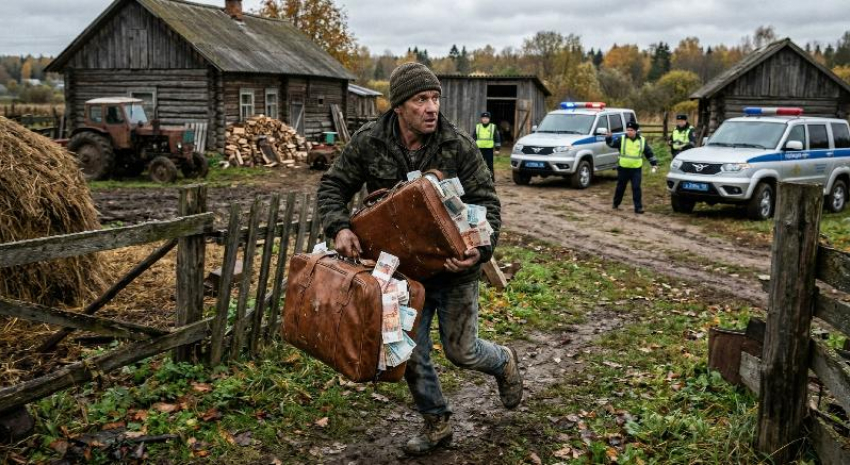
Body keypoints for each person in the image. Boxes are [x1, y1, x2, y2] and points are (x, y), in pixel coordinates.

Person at [316, 62, 523, 455]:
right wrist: (339, 227)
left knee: (463, 352)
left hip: (454, 270)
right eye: (420, 99)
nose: (431, 107)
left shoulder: (456, 144)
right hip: (404, 275)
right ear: (399, 106)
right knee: (409, 351)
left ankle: (503, 361)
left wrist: (478, 252)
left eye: (435, 98)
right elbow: (333, 186)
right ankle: (436, 422)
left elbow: (487, 204)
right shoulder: (369, 141)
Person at [605, 121, 659, 214]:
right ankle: (616, 203)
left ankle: (638, 208)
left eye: (631, 130)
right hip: (623, 168)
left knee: (636, 187)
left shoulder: (642, 140)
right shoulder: (621, 139)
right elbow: (611, 144)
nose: (629, 132)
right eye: (628, 130)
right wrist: (608, 138)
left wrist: (654, 163)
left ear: (636, 131)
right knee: (621, 187)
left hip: (636, 169)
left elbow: (648, 152)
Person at [473, 111, 501, 180]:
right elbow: (473, 138)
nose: (485, 119)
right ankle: (479, 179)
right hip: (479, 149)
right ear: (481, 119)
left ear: (489, 119)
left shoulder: (493, 127)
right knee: (479, 165)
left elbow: (497, 138)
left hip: (489, 149)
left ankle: (491, 179)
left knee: (490, 165)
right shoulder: (478, 127)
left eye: (487, 118)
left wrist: (497, 149)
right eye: (483, 118)